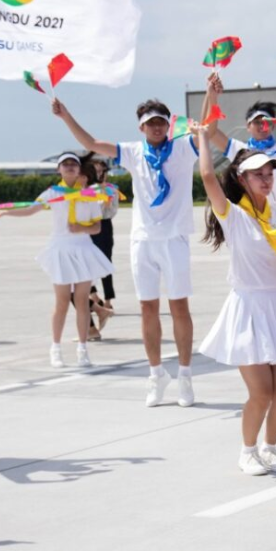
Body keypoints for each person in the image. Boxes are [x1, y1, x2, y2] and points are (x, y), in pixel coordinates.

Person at [193, 92, 276, 475]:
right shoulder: (233, 215)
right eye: (258, 174)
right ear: (242, 178)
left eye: (270, 173)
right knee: (262, 391)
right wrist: (204, 137)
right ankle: (247, 450)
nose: (267, 179)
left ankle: (271, 447)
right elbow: (207, 176)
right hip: (248, 308)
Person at [54, 94, 198, 407]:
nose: (156, 127)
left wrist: (211, 93)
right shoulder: (133, 152)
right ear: (141, 127)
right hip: (143, 240)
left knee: (179, 307)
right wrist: (66, 115)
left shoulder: (184, 148)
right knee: (148, 308)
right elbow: (91, 141)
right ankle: (156, 373)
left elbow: (206, 126)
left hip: (174, 238)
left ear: (168, 124)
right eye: (150, 123)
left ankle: (185, 376)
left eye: (161, 121)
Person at [0, 152, 113, 368]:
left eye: (73, 164)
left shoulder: (89, 195)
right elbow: (31, 209)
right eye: (65, 164)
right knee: (61, 302)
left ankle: (82, 349)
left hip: (82, 249)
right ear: (58, 169)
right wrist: (4, 212)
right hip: (60, 248)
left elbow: (97, 227)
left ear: (79, 170)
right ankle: (56, 348)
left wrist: (81, 228)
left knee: (81, 302)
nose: (69, 167)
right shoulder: (53, 193)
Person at [203, 66, 276, 206]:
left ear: (273, 126)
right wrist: (211, 96)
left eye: (266, 122)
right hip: (252, 219)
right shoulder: (240, 150)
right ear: (248, 126)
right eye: (257, 122)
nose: (262, 126)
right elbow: (210, 131)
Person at [79, 155, 119, 341]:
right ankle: (95, 299)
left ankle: (106, 302)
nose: (98, 172)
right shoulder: (84, 190)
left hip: (102, 226)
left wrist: (104, 199)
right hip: (85, 229)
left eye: (101, 169)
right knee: (85, 269)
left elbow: (110, 210)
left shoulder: (109, 189)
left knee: (105, 263)